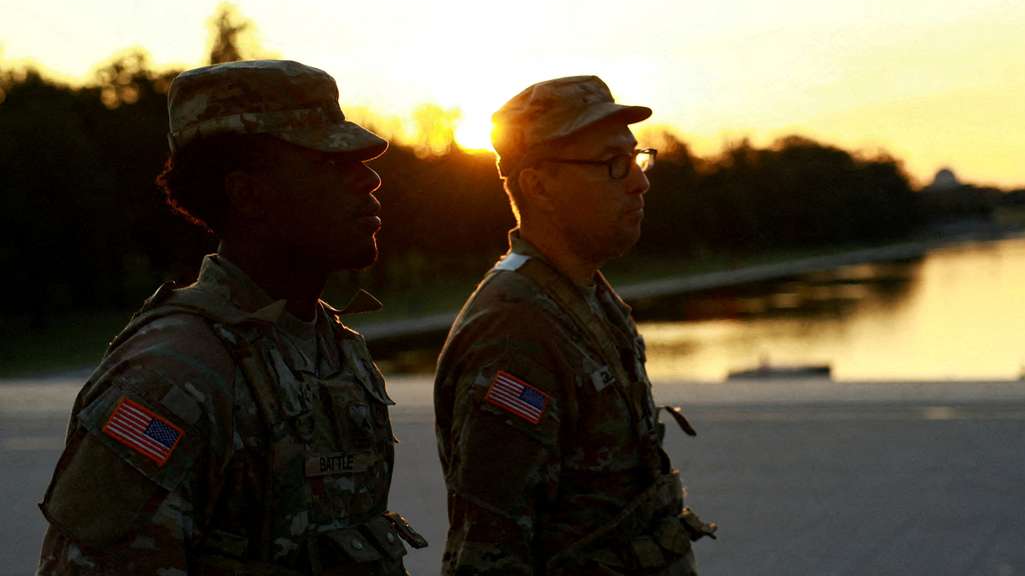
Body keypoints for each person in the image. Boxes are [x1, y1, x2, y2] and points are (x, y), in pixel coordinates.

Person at [37, 60, 427, 575]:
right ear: (248, 194)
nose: (370, 179)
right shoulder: (173, 375)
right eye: (330, 164)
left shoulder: (335, 346)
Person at [434, 75, 716, 576]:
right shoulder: (515, 330)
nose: (639, 180)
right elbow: (489, 552)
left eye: (636, 158)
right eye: (613, 165)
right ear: (539, 184)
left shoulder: (583, 297)